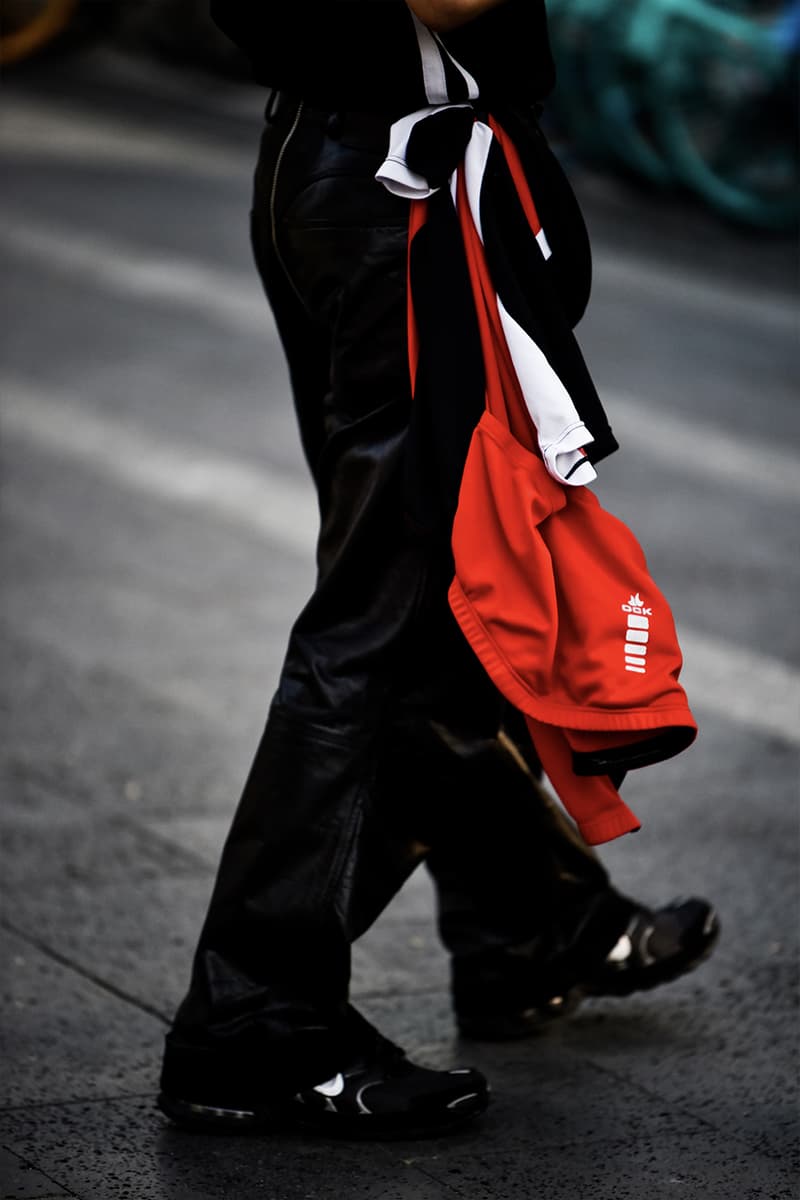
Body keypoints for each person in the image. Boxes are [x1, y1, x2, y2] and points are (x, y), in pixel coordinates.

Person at [158, 0, 718, 1139]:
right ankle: (252, 1024)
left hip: (349, 161)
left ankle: (524, 926)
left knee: (440, 603)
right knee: (393, 618)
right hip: (399, 191)